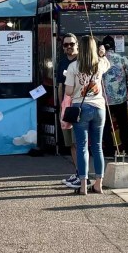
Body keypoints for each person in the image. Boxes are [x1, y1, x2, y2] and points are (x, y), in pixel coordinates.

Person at [64, 35, 111, 194]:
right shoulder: (100, 64)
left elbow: (69, 91)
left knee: (82, 147)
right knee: (97, 146)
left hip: (81, 108)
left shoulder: (73, 67)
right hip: (99, 108)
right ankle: (99, 183)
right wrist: (102, 54)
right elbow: (107, 63)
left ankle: (83, 185)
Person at [100, 35, 128, 157]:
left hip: (105, 100)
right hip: (121, 98)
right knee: (124, 125)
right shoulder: (122, 59)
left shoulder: (99, 60)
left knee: (106, 126)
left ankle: (108, 151)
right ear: (114, 46)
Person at [55, 33, 78, 171]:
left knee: (80, 142)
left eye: (72, 44)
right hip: (67, 107)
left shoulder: (83, 60)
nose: (69, 47)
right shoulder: (62, 62)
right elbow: (60, 86)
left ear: (77, 45)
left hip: (82, 105)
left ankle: (84, 176)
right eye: (66, 44)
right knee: (71, 143)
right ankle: (78, 173)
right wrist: (61, 107)